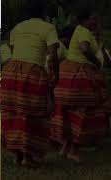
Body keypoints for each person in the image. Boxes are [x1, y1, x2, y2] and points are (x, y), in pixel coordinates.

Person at [1, 0, 59, 167]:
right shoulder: (48, 28)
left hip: (11, 71)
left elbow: (13, 50)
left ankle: (17, 154)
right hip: (33, 72)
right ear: (44, 12)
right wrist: (55, 75)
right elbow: (53, 55)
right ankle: (28, 155)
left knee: (13, 112)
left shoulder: (17, 28)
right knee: (34, 113)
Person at [50, 9, 108, 162]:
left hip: (72, 73)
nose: (96, 22)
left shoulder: (84, 31)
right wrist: (95, 63)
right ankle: (73, 150)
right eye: (93, 19)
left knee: (72, 112)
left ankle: (66, 148)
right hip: (79, 75)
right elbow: (84, 48)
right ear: (85, 20)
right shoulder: (83, 31)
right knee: (82, 113)